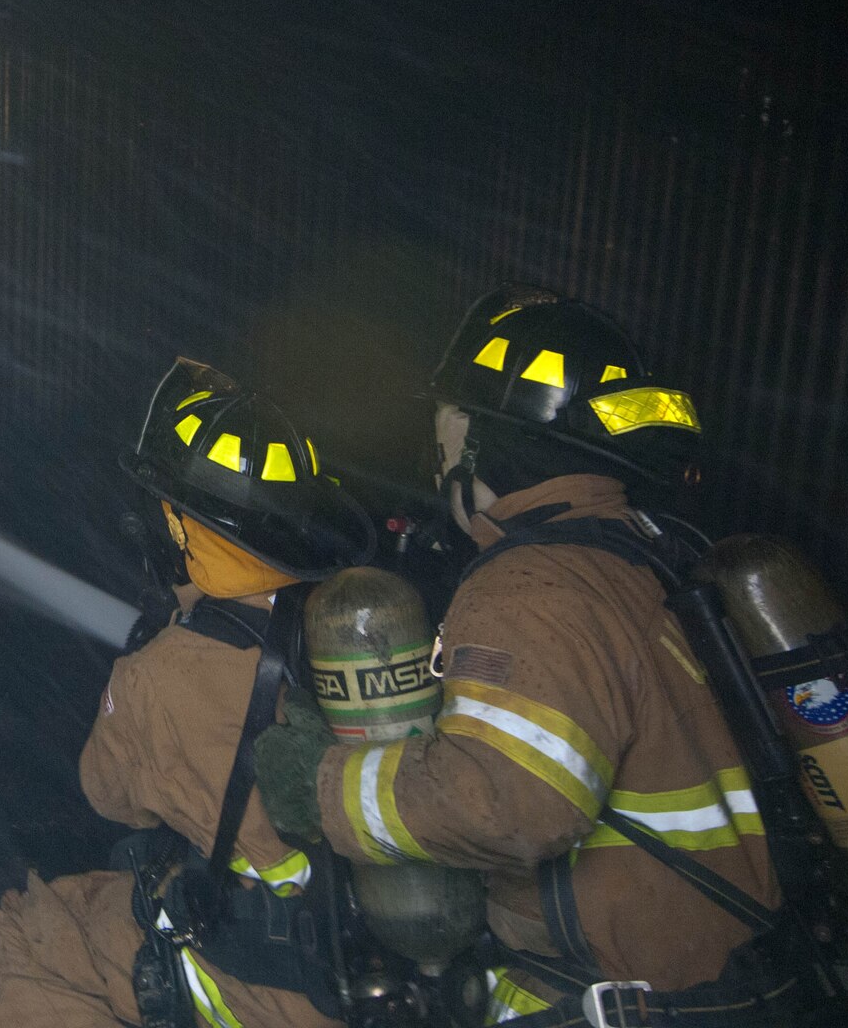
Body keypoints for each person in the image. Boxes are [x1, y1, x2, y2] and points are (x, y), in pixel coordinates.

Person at [255, 286, 787, 1023]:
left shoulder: (532, 586)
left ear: (485, 439)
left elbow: (507, 802)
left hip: (632, 999)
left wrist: (321, 785)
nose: (437, 453)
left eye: (446, 426)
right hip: (744, 984)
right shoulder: (650, 556)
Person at [0, 359, 372, 1028]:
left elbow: (108, 794)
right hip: (374, 960)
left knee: (22, 941)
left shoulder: (159, 673)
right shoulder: (360, 626)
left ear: (181, 526)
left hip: (273, 982)